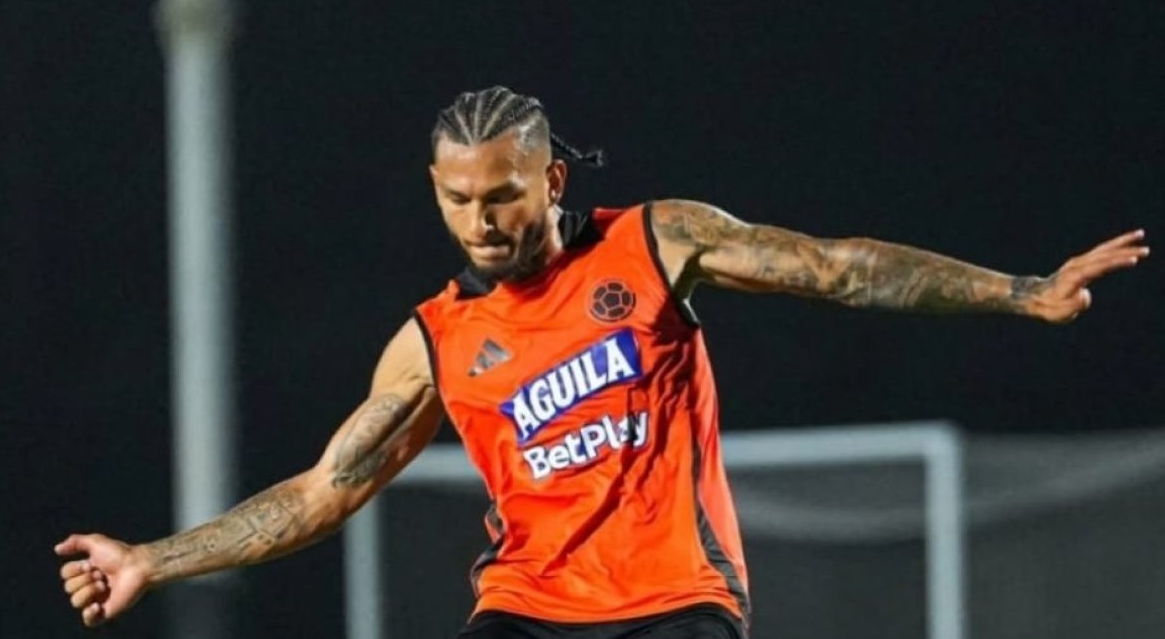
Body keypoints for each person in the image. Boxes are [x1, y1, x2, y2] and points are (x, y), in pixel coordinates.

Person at [56, 86, 1148, 637]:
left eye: (502, 196)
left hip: (677, 601)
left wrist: (1020, 290)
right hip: (529, 608)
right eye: (457, 200)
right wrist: (153, 558)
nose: (481, 221)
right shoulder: (436, 341)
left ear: (551, 182)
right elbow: (320, 491)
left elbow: (836, 269)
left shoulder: (657, 244)